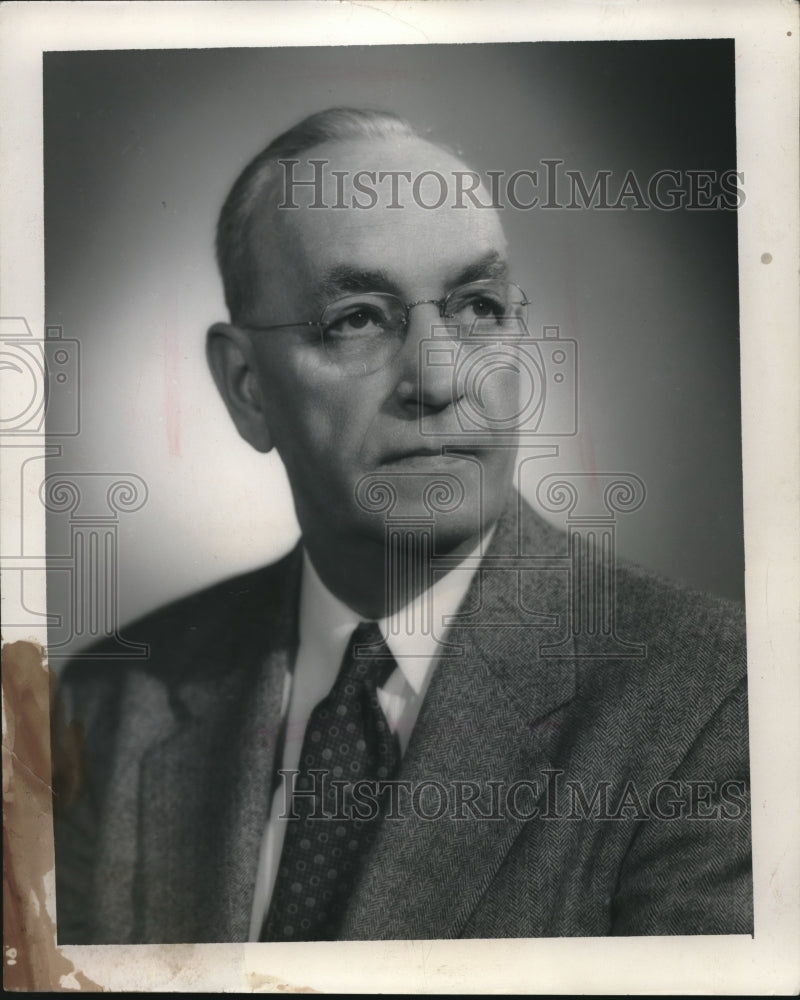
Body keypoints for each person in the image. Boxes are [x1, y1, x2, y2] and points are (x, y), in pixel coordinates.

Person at [51, 107, 752, 944]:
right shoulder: (108, 705)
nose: (442, 378)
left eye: (479, 306)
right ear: (246, 386)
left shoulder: (716, 702)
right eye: (357, 318)